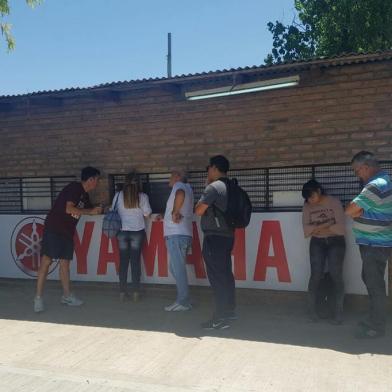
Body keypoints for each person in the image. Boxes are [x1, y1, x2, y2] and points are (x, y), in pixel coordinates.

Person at [34, 167, 102, 312]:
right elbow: (69, 209)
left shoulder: (85, 196)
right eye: (97, 179)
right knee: (47, 261)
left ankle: (66, 296)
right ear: (90, 180)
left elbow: (91, 210)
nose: (98, 182)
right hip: (54, 228)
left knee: (65, 264)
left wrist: (100, 208)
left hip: (67, 232)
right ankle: (38, 298)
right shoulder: (74, 188)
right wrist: (90, 211)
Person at [345, 151, 392, 338]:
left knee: (375, 285)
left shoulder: (375, 185)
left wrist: (357, 212)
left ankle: (377, 325)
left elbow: (350, 210)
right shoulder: (383, 182)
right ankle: (374, 318)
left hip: (375, 244)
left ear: (365, 167)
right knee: (371, 280)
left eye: (357, 171)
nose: (358, 175)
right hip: (376, 242)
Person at [195, 155, 235, 330]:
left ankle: (220, 318)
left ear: (214, 168)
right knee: (226, 275)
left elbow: (199, 210)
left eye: (208, 168)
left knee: (217, 278)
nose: (207, 171)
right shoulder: (231, 186)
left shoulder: (213, 188)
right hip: (228, 236)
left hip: (214, 237)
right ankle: (230, 311)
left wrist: (206, 187)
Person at [301, 179, 346, 324]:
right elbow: (306, 231)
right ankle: (311, 311)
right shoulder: (307, 206)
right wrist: (328, 224)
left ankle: (338, 313)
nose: (310, 200)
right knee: (315, 275)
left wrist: (317, 227)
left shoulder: (334, 202)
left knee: (336, 275)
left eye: (312, 196)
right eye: (307, 198)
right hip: (317, 242)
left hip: (336, 241)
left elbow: (341, 228)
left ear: (319, 191)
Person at [114, 172, 152, 302]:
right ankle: (136, 293)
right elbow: (147, 214)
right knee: (135, 262)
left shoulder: (118, 195)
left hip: (122, 232)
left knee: (123, 262)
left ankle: (122, 293)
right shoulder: (143, 196)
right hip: (137, 232)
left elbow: (111, 211)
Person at [161, 169, 194, 311]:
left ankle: (183, 302)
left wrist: (174, 212)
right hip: (182, 234)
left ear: (178, 177)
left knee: (178, 269)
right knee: (175, 268)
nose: (169, 178)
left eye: (171, 175)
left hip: (176, 235)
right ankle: (184, 298)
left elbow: (180, 194)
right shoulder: (189, 188)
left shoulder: (179, 186)